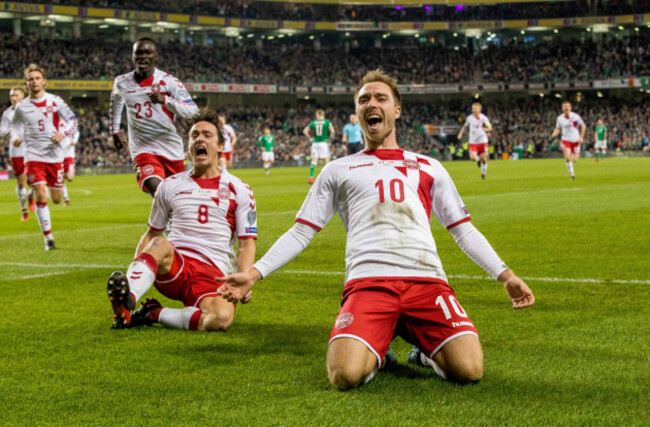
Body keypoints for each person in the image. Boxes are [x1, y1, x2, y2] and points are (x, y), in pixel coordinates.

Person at [217, 70, 535, 390]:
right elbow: (302, 232)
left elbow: (463, 230)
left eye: (381, 98)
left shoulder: (428, 166)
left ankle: (424, 353)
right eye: (364, 99)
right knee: (344, 375)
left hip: (426, 283)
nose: (372, 104)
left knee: (469, 370)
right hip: (368, 283)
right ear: (357, 113)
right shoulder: (337, 169)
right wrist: (254, 274)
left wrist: (506, 276)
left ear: (396, 110)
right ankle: (379, 353)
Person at [107, 108, 257, 331]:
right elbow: (152, 234)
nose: (199, 139)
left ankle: (154, 314)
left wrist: (244, 280)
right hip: (175, 265)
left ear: (220, 146)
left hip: (214, 272)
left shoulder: (240, 189)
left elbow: (246, 244)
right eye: (194, 136)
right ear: (188, 147)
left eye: (207, 135)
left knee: (220, 320)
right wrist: (133, 276)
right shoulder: (169, 185)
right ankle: (128, 303)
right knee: (159, 243)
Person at [110, 36, 198, 196]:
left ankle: (167, 221)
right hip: (142, 149)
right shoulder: (121, 82)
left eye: (148, 53)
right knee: (159, 191)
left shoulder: (169, 82)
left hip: (170, 148)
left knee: (177, 199)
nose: (143, 56)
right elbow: (116, 104)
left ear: (156, 57)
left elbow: (193, 111)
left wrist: (166, 100)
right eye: (139, 53)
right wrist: (114, 131)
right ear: (133, 56)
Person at [10, 64, 77, 250]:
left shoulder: (55, 101)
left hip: (54, 157)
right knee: (41, 193)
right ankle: (48, 239)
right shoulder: (22, 107)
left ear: (44, 81)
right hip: (33, 155)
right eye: (30, 79)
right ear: (27, 84)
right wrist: (15, 137)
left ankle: (39, 189)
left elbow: (73, 120)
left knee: (55, 198)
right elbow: (15, 126)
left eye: (37, 78)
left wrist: (62, 133)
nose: (34, 82)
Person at [0, 86, 33, 221]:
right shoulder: (7, 113)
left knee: (33, 181)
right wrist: (8, 133)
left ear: (22, 96)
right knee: (20, 183)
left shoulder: (30, 110)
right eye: (12, 95)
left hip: (31, 149)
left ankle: (31, 194)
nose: (13, 98)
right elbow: (2, 130)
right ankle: (24, 210)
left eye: (16, 95)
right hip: (16, 151)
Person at [551, 101, 585, 179]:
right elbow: (558, 128)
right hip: (565, 140)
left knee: (575, 159)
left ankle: (571, 166)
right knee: (567, 157)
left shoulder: (576, 116)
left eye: (567, 106)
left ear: (570, 108)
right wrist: (554, 133)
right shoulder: (560, 118)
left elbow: (583, 126)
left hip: (576, 140)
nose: (566, 108)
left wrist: (581, 137)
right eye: (564, 106)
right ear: (562, 108)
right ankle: (572, 174)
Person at [457, 102, 492, 180]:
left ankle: (483, 174)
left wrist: (486, 129)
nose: (473, 110)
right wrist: (460, 133)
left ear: (480, 109)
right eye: (472, 108)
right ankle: (478, 160)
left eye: (475, 108)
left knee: (485, 159)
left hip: (483, 141)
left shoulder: (484, 118)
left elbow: (490, 128)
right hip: (473, 142)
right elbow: (465, 126)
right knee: (472, 158)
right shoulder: (469, 118)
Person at [303, 109, 335, 184]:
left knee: (314, 160)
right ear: (323, 115)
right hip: (324, 143)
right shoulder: (327, 122)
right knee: (327, 160)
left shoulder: (313, 123)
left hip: (315, 143)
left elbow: (305, 131)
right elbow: (332, 131)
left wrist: (310, 138)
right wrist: (330, 139)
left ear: (317, 115)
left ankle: (311, 178)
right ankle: (327, 178)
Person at [61, 129, 79, 206]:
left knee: (70, 178)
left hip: (69, 156)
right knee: (61, 179)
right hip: (59, 156)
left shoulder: (70, 124)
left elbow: (77, 132)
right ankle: (66, 199)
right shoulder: (56, 123)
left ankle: (62, 175)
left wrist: (74, 140)